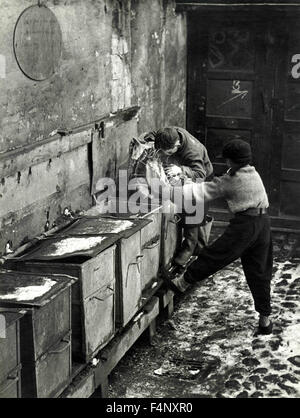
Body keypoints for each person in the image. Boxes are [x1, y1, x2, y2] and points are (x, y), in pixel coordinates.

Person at [168, 139, 273, 335]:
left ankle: (182, 282)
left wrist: (169, 191)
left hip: (245, 226)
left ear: (232, 161)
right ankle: (265, 320)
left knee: (215, 254)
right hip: (263, 223)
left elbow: (201, 192)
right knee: (260, 271)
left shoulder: (231, 180)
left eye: (227, 160)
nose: (226, 163)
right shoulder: (252, 172)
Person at [152, 127, 213, 270]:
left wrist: (181, 170)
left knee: (191, 208)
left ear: (177, 146)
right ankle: (201, 249)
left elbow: (200, 174)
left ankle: (189, 248)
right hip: (184, 171)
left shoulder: (192, 151)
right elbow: (152, 135)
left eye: (167, 153)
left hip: (201, 177)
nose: (162, 155)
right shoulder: (170, 133)